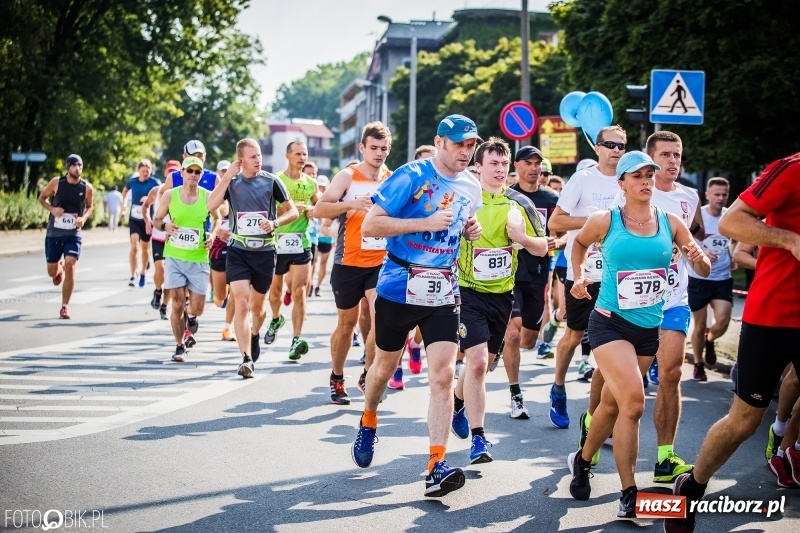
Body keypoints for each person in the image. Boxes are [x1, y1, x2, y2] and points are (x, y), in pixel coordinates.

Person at [567, 151, 709, 519]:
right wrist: (580, 274)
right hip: (610, 323)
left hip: (649, 327)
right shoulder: (606, 220)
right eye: (638, 176)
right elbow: (578, 244)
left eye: (650, 174)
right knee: (634, 404)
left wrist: (696, 255)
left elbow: (704, 268)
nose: (646, 181)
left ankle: (582, 460)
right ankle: (629, 493)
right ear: (623, 184)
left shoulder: (671, 221)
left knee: (613, 405)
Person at [667, 152, 800, 532]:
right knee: (743, 422)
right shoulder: (792, 170)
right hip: (773, 316)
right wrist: (790, 240)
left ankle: (788, 453)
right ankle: (691, 487)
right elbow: (732, 221)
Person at [351, 114, 483, 498]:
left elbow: (460, 219)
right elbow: (371, 226)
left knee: (442, 376)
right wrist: (423, 221)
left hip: (443, 287)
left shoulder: (471, 186)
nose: (466, 151)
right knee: (381, 370)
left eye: (471, 144)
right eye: (459, 143)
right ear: (440, 142)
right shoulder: (411, 175)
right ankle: (369, 417)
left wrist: (469, 227)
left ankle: (435, 466)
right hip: (399, 284)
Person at [451, 137, 551, 463]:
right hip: (468, 291)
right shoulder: (465, 199)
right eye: (493, 164)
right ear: (478, 166)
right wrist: (463, 233)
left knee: (484, 364)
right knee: (478, 362)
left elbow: (541, 247)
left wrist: (519, 236)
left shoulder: (518, 204)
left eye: (504, 165)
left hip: (502, 295)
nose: (499, 170)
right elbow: (441, 237)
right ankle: (479, 439)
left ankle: (456, 401)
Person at [547, 126, 627, 428]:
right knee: (575, 335)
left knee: (613, 340)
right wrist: (596, 222)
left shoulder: (628, 181)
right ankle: (558, 387)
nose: (616, 150)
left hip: (618, 276)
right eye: (610, 145)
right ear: (597, 147)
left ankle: (602, 411)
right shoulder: (583, 179)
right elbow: (556, 221)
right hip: (583, 272)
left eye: (621, 145)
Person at [206, 138, 298, 378]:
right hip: (238, 250)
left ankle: (255, 334)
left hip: (265, 253)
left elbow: (293, 211)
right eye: (253, 156)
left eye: (259, 155)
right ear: (241, 160)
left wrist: (275, 223)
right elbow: (210, 205)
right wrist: (227, 177)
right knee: (242, 303)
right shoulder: (232, 182)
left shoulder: (271, 181)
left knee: (258, 309)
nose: (259, 160)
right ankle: (246, 358)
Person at [315, 122, 392, 404]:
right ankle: (337, 377)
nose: (379, 153)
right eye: (373, 148)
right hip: (348, 261)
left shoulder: (392, 178)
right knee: (346, 325)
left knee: (379, 318)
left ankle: (369, 374)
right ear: (362, 148)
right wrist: (351, 204)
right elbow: (319, 209)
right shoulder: (347, 176)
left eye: (384, 148)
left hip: (381, 262)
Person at [500, 145, 563, 419]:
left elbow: (564, 235)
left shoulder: (552, 198)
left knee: (527, 340)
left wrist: (554, 242)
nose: (534, 168)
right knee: (513, 333)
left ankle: (502, 346)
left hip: (537, 275)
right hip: (508, 274)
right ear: (517, 166)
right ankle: (516, 394)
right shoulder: (506, 196)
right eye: (528, 162)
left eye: (538, 163)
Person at [152, 157, 216, 361]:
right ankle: (179, 345)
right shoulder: (170, 195)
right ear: (182, 173)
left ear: (201, 175)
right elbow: (156, 220)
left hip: (198, 257)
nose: (193, 175)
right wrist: (165, 227)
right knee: (177, 302)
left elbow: (219, 217)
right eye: (190, 171)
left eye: (198, 172)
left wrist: (213, 234)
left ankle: (192, 316)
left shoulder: (207, 196)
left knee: (197, 307)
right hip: (175, 256)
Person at [264, 141, 319, 361]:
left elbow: (320, 205)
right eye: (297, 154)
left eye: (304, 154)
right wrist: (293, 209)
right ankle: (276, 318)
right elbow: (268, 208)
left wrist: (315, 209)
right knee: (275, 291)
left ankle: (296, 339)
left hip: (301, 242)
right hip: (278, 241)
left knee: (299, 292)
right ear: (287, 155)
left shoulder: (310, 183)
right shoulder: (277, 180)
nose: (302, 157)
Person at [38, 154, 94, 319]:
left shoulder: (87, 188)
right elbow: (42, 198)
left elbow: (90, 207)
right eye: (75, 165)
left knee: (71, 264)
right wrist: (52, 210)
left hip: (73, 233)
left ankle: (64, 307)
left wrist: (83, 218)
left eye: (80, 165)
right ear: (68, 167)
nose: (78, 168)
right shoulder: (57, 183)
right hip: (54, 233)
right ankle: (58, 269)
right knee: (51, 272)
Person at [688, 177, 733, 380]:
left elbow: (737, 240)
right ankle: (698, 364)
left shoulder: (730, 216)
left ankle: (710, 338)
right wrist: (702, 249)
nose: (721, 198)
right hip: (698, 276)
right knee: (699, 323)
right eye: (717, 194)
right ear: (707, 195)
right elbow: (686, 238)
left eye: (724, 194)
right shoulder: (699, 216)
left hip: (722, 277)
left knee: (723, 320)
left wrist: (734, 255)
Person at [143, 160, 182, 321]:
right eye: (170, 172)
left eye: (175, 172)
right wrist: (147, 221)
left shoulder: (184, 194)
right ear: (166, 174)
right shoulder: (156, 190)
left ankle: (165, 305)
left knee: (170, 276)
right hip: (159, 236)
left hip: (175, 239)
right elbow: (146, 206)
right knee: (160, 269)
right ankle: (158, 290)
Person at [209, 159, 237, 341]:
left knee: (237, 290)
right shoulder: (212, 194)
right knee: (220, 297)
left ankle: (228, 328)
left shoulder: (239, 191)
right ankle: (219, 296)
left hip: (238, 247)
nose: (225, 174)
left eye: (228, 171)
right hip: (218, 248)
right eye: (222, 172)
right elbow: (211, 211)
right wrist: (217, 229)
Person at [122, 159, 161, 287]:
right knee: (134, 246)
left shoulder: (154, 182)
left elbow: (162, 194)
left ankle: (143, 272)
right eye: (143, 171)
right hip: (134, 218)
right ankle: (133, 275)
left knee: (145, 248)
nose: (145, 173)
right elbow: (125, 191)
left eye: (147, 171)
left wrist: (149, 199)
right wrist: (124, 204)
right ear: (138, 170)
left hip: (147, 220)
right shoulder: (132, 181)